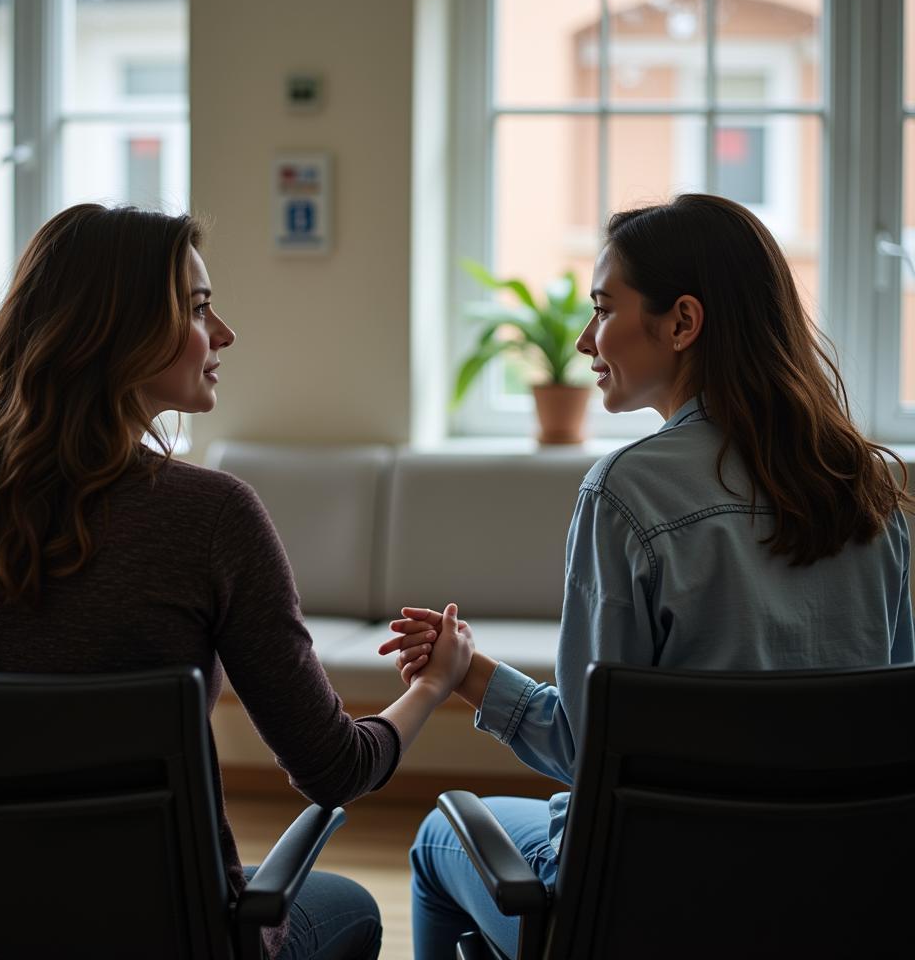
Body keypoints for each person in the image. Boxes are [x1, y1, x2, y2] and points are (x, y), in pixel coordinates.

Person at [0, 203, 472, 960]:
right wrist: (434, 682)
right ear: (117, 332)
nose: (223, 333)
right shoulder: (209, 517)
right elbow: (334, 768)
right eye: (199, 308)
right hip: (164, 933)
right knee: (350, 905)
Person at [379, 193, 915, 960]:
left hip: (650, 906)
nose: (587, 339)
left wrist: (467, 677)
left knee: (439, 837)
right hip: (839, 899)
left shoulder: (625, 493)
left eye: (604, 309)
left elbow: (590, 749)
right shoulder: (865, 485)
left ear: (683, 322)